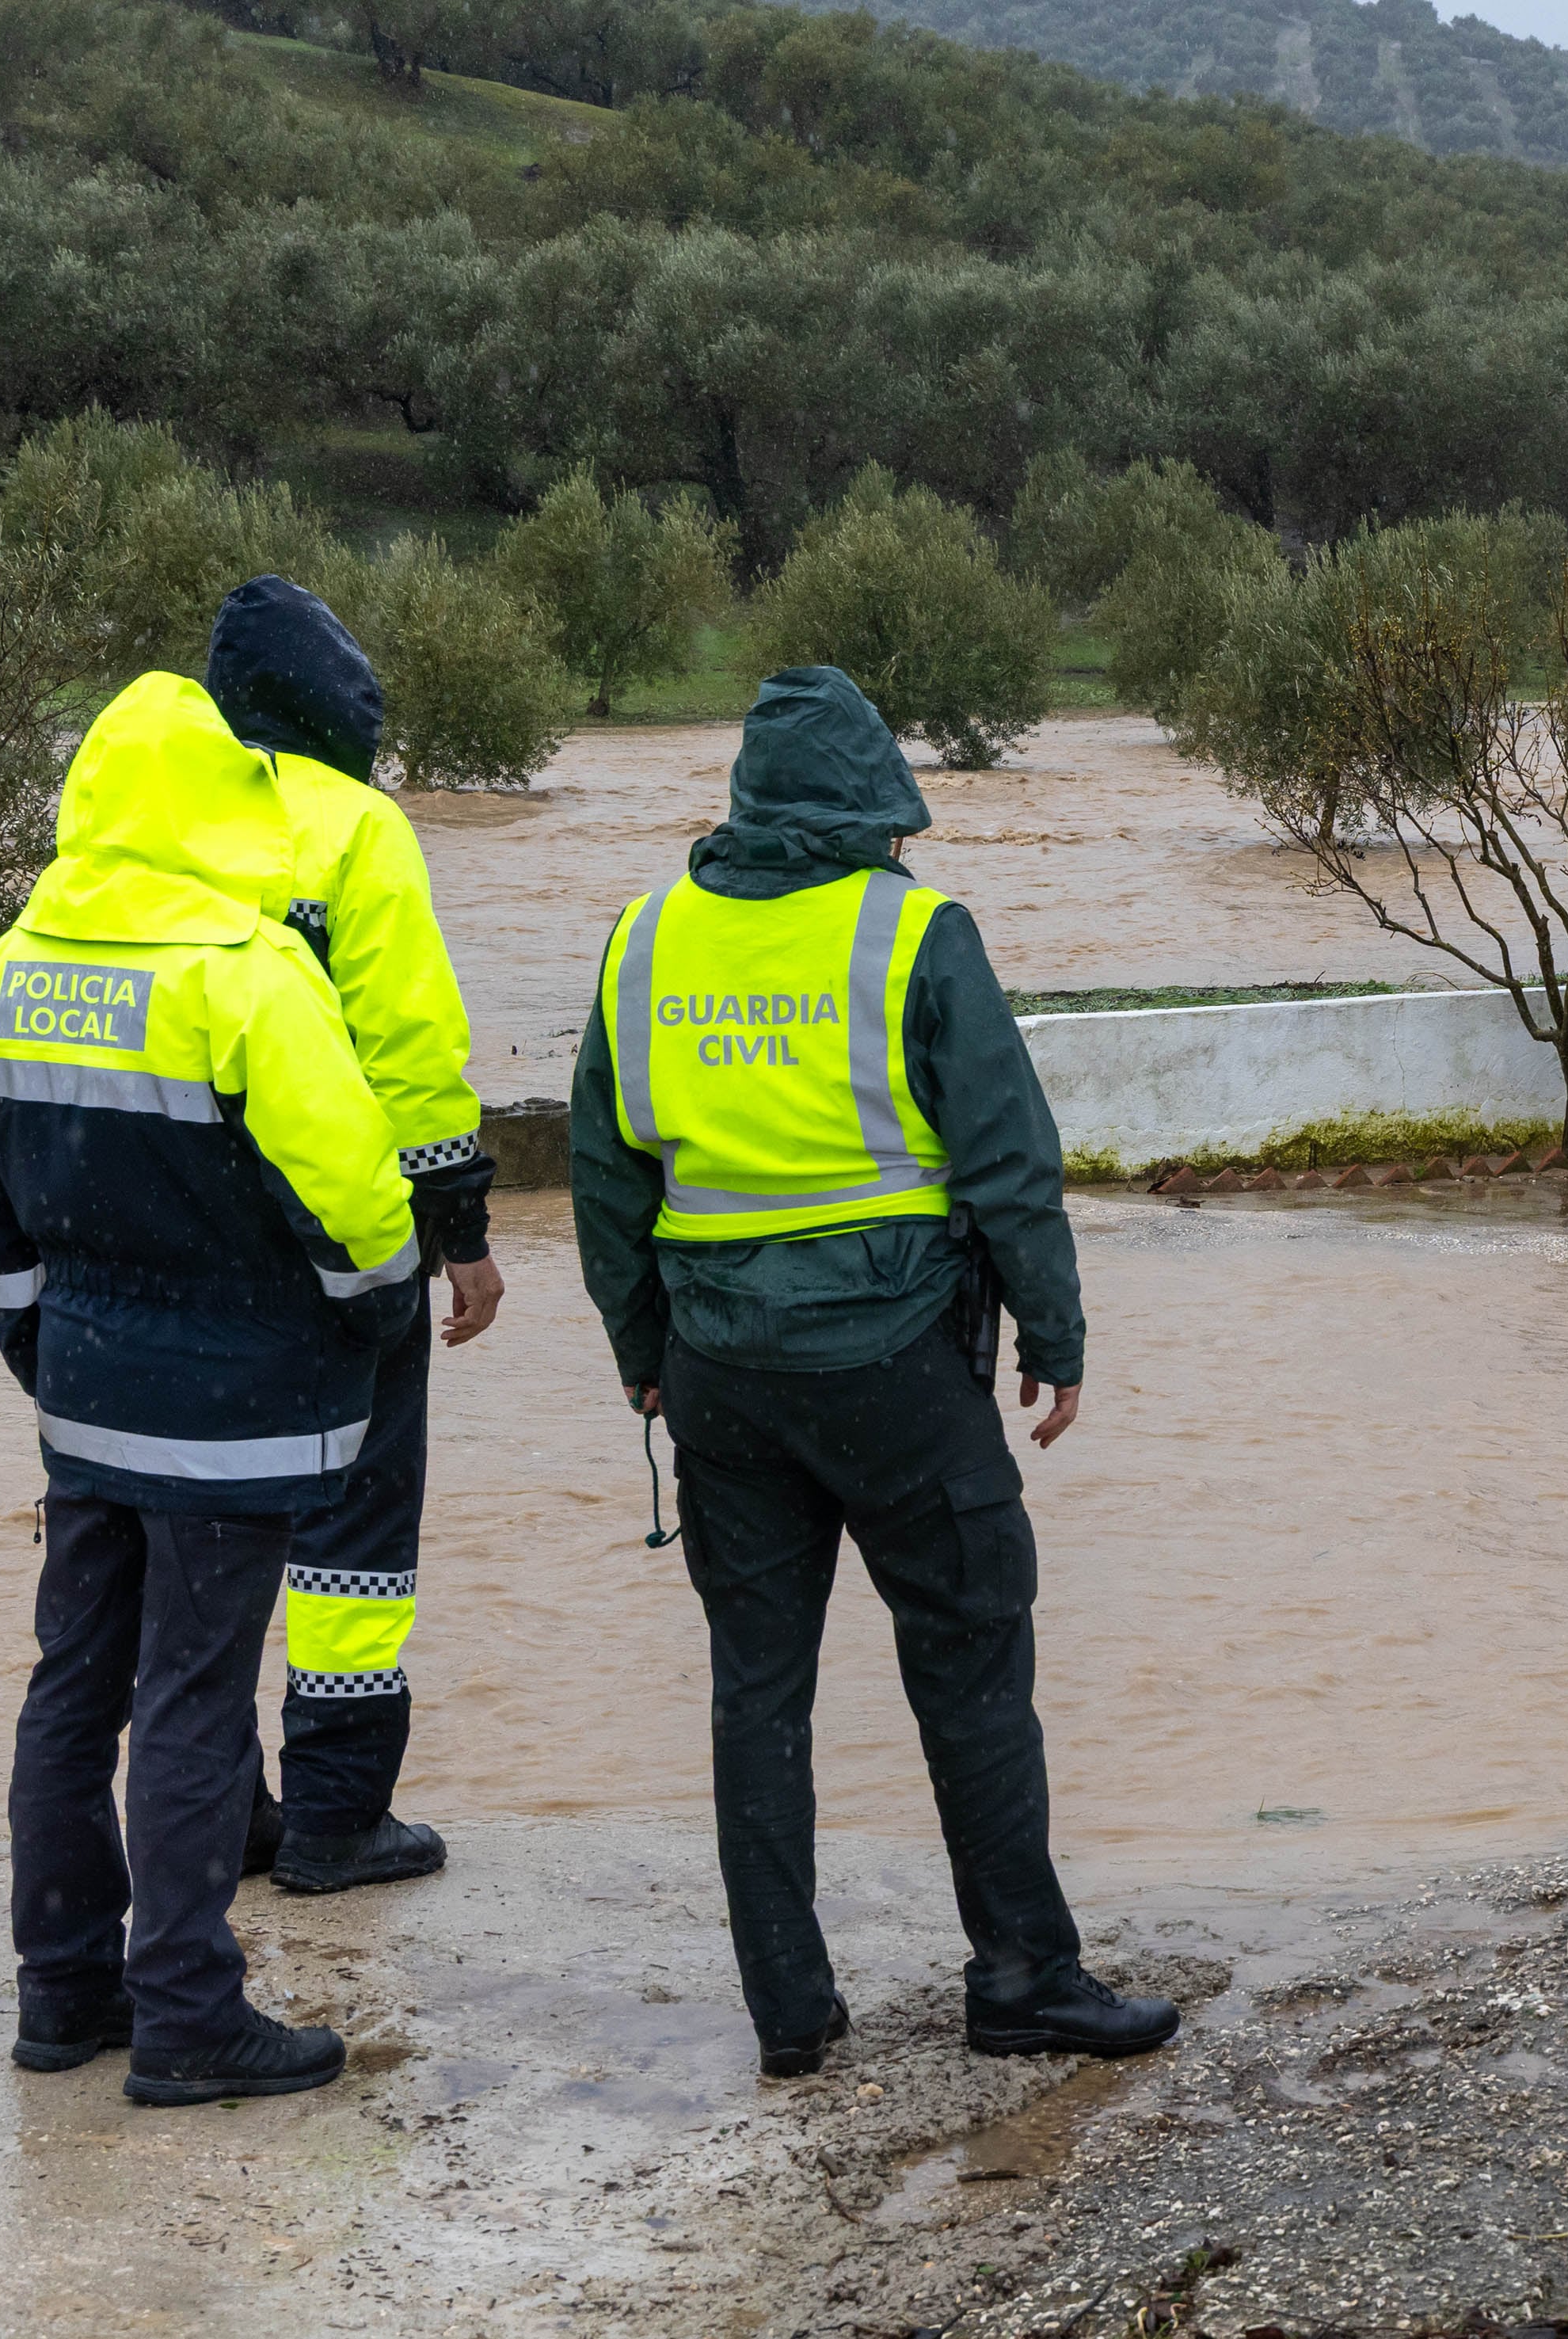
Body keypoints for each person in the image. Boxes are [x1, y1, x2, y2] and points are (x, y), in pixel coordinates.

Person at [569, 666, 1176, 2078]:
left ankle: (788, 2010)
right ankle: (1022, 1975)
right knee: (971, 1657)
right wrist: (1056, 1337)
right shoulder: (914, 932)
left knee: (756, 1689)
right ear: (869, 802)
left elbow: (605, 1174)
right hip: (897, 1364)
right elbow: (1008, 1156)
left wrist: (641, 1355)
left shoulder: (644, 938)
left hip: (718, 1374)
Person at [0, 672, 421, 2106]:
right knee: (195, 1701)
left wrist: (51, 1363)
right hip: (233, 1416)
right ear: (220, 804)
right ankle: (186, 2011)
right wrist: (371, 1324)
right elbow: (357, 1199)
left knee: (72, 1687)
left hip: (85, 1401)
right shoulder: (248, 972)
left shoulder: (1, 971)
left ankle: (62, 1990)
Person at [203, 576, 503, 1895]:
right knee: (354, 1522)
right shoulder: (358, 828)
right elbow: (409, 1048)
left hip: (170, 1240)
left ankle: (221, 1812)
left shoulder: (156, 823)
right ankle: (336, 1813)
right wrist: (463, 1229)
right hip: (338, 1242)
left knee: (206, 1529)